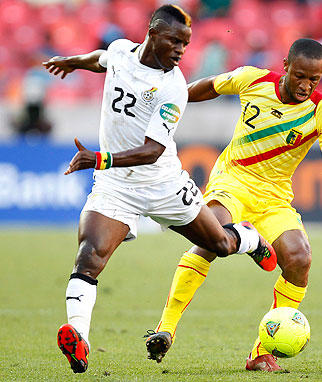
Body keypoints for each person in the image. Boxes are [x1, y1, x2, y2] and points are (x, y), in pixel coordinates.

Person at [42, 4, 276, 374]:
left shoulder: (173, 87)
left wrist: (98, 158)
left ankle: (247, 238)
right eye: (175, 41)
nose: (182, 50)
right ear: (152, 34)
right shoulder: (122, 50)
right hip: (115, 185)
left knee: (220, 244)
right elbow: (102, 59)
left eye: (186, 44)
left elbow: (152, 151)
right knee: (89, 257)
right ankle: (79, 338)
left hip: (162, 183)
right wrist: (72, 61)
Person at [145, 38, 322, 370]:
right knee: (212, 236)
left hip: (274, 198)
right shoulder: (253, 80)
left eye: (314, 79)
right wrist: (167, 101)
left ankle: (262, 352)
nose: (305, 85)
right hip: (232, 181)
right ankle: (166, 328)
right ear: (286, 65)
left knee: (300, 259)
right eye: (300, 75)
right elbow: (208, 87)